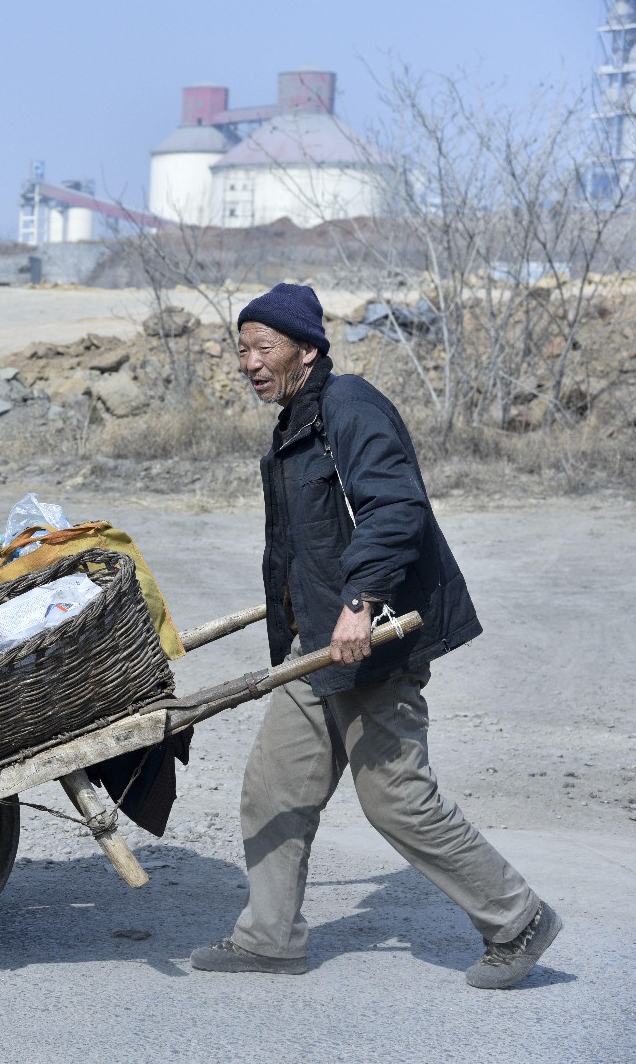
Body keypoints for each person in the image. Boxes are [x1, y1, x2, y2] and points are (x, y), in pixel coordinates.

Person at [188, 283, 561, 989]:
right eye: (242, 349)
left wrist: (361, 602)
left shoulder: (347, 405)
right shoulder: (298, 418)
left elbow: (396, 507)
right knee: (274, 785)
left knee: (396, 797)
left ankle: (519, 918)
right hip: (319, 646)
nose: (249, 363)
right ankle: (268, 937)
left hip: (373, 640)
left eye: (263, 347)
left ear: (307, 348)